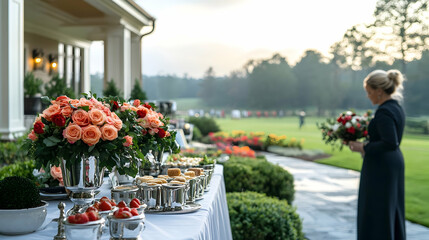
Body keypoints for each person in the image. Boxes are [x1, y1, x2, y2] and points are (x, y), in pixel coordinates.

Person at [348, 69, 406, 240]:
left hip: (382, 167)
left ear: (379, 91)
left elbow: (390, 142)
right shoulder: (396, 107)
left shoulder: (384, 112)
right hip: (392, 164)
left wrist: (363, 147)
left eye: (369, 92)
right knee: (390, 208)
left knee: (377, 209)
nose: (368, 96)